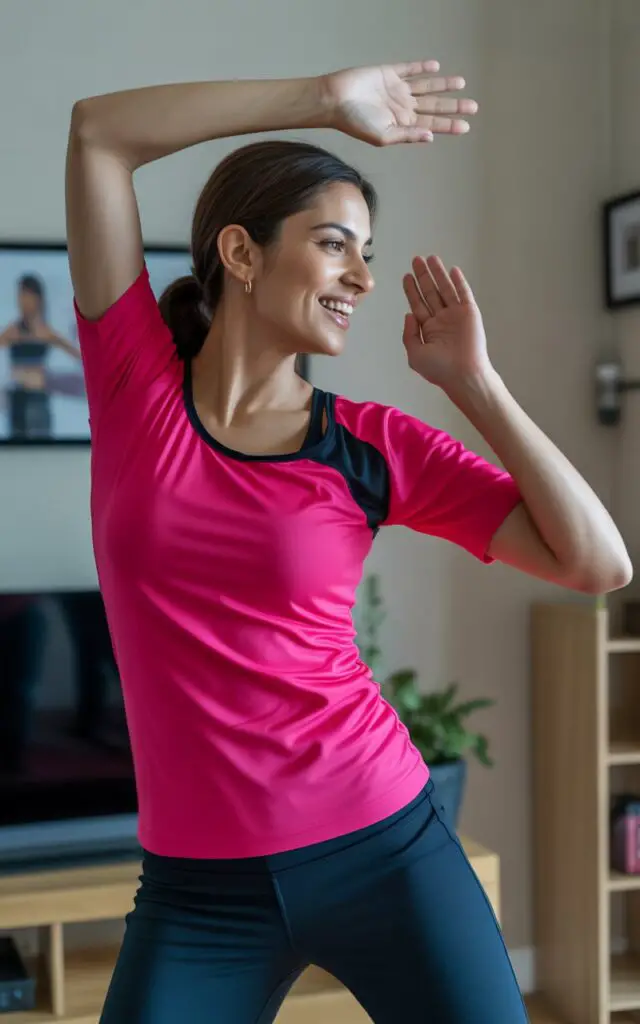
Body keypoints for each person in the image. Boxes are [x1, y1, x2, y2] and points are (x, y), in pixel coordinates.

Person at [65, 61, 632, 1024]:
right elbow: (96, 135)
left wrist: (476, 385)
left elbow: (599, 562)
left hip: (382, 847)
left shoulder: (370, 446)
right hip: (197, 891)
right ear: (241, 253)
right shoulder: (134, 388)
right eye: (335, 246)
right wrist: (326, 101)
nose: (363, 279)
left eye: (367, 252)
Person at [0, 275, 81, 439]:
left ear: (38, 299)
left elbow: (79, 357)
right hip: (17, 400)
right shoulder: (12, 331)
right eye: (20, 296)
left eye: (27, 296)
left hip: (37, 399)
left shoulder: (45, 332)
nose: (23, 301)